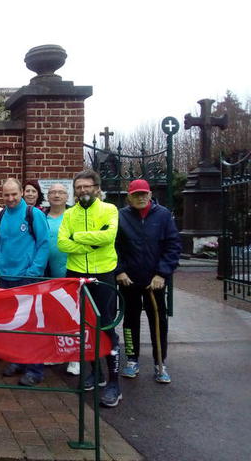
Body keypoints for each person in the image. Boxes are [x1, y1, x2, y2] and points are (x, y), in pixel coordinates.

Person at [57, 170, 121, 407]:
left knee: (106, 326)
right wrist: (91, 242)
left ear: (97, 187)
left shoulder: (110, 209)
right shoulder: (69, 213)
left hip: (103, 274)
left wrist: (78, 237)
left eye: (87, 186)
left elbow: (109, 237)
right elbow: (62, 243)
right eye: (79, 187)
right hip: (76, 275)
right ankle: (97, 373)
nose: (83, 191)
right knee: (86, 326)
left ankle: (115, 382)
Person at [115, 179, 181, 383]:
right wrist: (120, 271)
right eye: (136, 194)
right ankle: (132, 359)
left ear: (150, 194)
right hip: (129, 280)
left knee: (158, 320)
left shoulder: (163, 216)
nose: (141, 197)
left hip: (155, 282)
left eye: (144, 194)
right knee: (130, 320)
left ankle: (160, 362)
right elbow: (114, 246)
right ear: (129, 197)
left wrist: (162, 273)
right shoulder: (121, 216)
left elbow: (173, 246)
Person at [0, 178, 49, 387]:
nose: (10, 198)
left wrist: (34, 271)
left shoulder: (34, 214)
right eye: (6, 195)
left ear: (21, 193)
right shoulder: (0, 216)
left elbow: (44, 244)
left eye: (14, 194)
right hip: (5, 277)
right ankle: (17, 360)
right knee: (12, 323)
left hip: (28, 278)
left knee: (32, 325)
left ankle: (35, 369)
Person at [44, 183, 79, 376]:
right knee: (52, 315)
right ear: (47, 197)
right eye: (52, 193)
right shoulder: (42, 217)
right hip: (47, 273)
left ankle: (74, 357)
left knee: (72, 315)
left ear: (68, 196)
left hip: (70, 273)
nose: (56, 195)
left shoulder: (73, 216)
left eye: (61, 192)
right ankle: (55, 352)